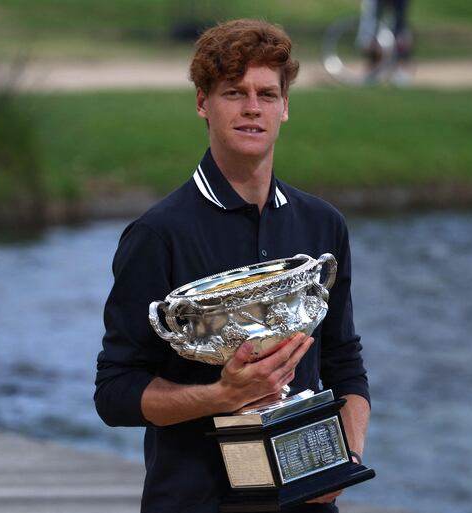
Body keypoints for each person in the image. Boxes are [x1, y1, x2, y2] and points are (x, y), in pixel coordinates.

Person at [94, 19, 370, 513]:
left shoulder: (324, 226)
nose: (251, 108)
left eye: (267, 94)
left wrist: (345, 457)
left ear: (285, 107)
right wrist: (222, 395)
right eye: (233, 92)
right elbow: (115, 393)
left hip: (306, 502)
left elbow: (344, 362)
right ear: (202, 103)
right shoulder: (158, 234)